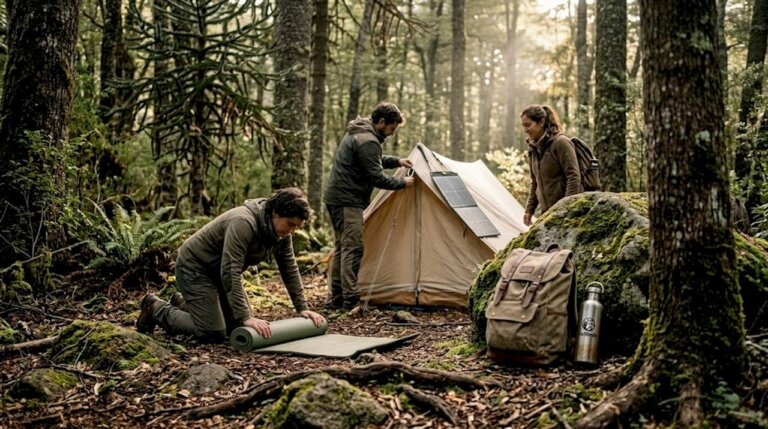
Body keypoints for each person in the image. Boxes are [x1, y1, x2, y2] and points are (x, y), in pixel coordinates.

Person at [136, 188, 325, 342]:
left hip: (219, 273)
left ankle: (183, 304)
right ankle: (156, 308)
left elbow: (289, 268)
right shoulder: (243, 222)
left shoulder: (281, 234)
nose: (291, 231)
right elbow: (231, 269)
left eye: (296, 227)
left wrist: (302, 308)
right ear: (275, 213)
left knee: (238, 327)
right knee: (213, 333)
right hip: (194, 268)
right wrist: (246, 315)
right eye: (290, 224)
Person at [323, 102, 415, 310]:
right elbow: (376, 176)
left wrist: (397, 161)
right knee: (352, 249)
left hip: (337, 199)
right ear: (382, 122)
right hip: (348, 201)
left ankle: (336, 299)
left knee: (341, 248)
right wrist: (402, 183)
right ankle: (350, 300)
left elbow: (371, 160)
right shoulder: (368, 140)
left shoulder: (361, 132)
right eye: (391, 128)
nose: (391, 134)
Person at [521, 104, 582, 226]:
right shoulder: (533, 149)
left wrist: (566, 209)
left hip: (568, 214)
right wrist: (529, 210)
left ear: (541, 122)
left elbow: (573, 177)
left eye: (528, 125)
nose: (525, 130)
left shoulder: (561, 143)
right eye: (523, 126)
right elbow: (535, 182)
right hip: (547, 214)